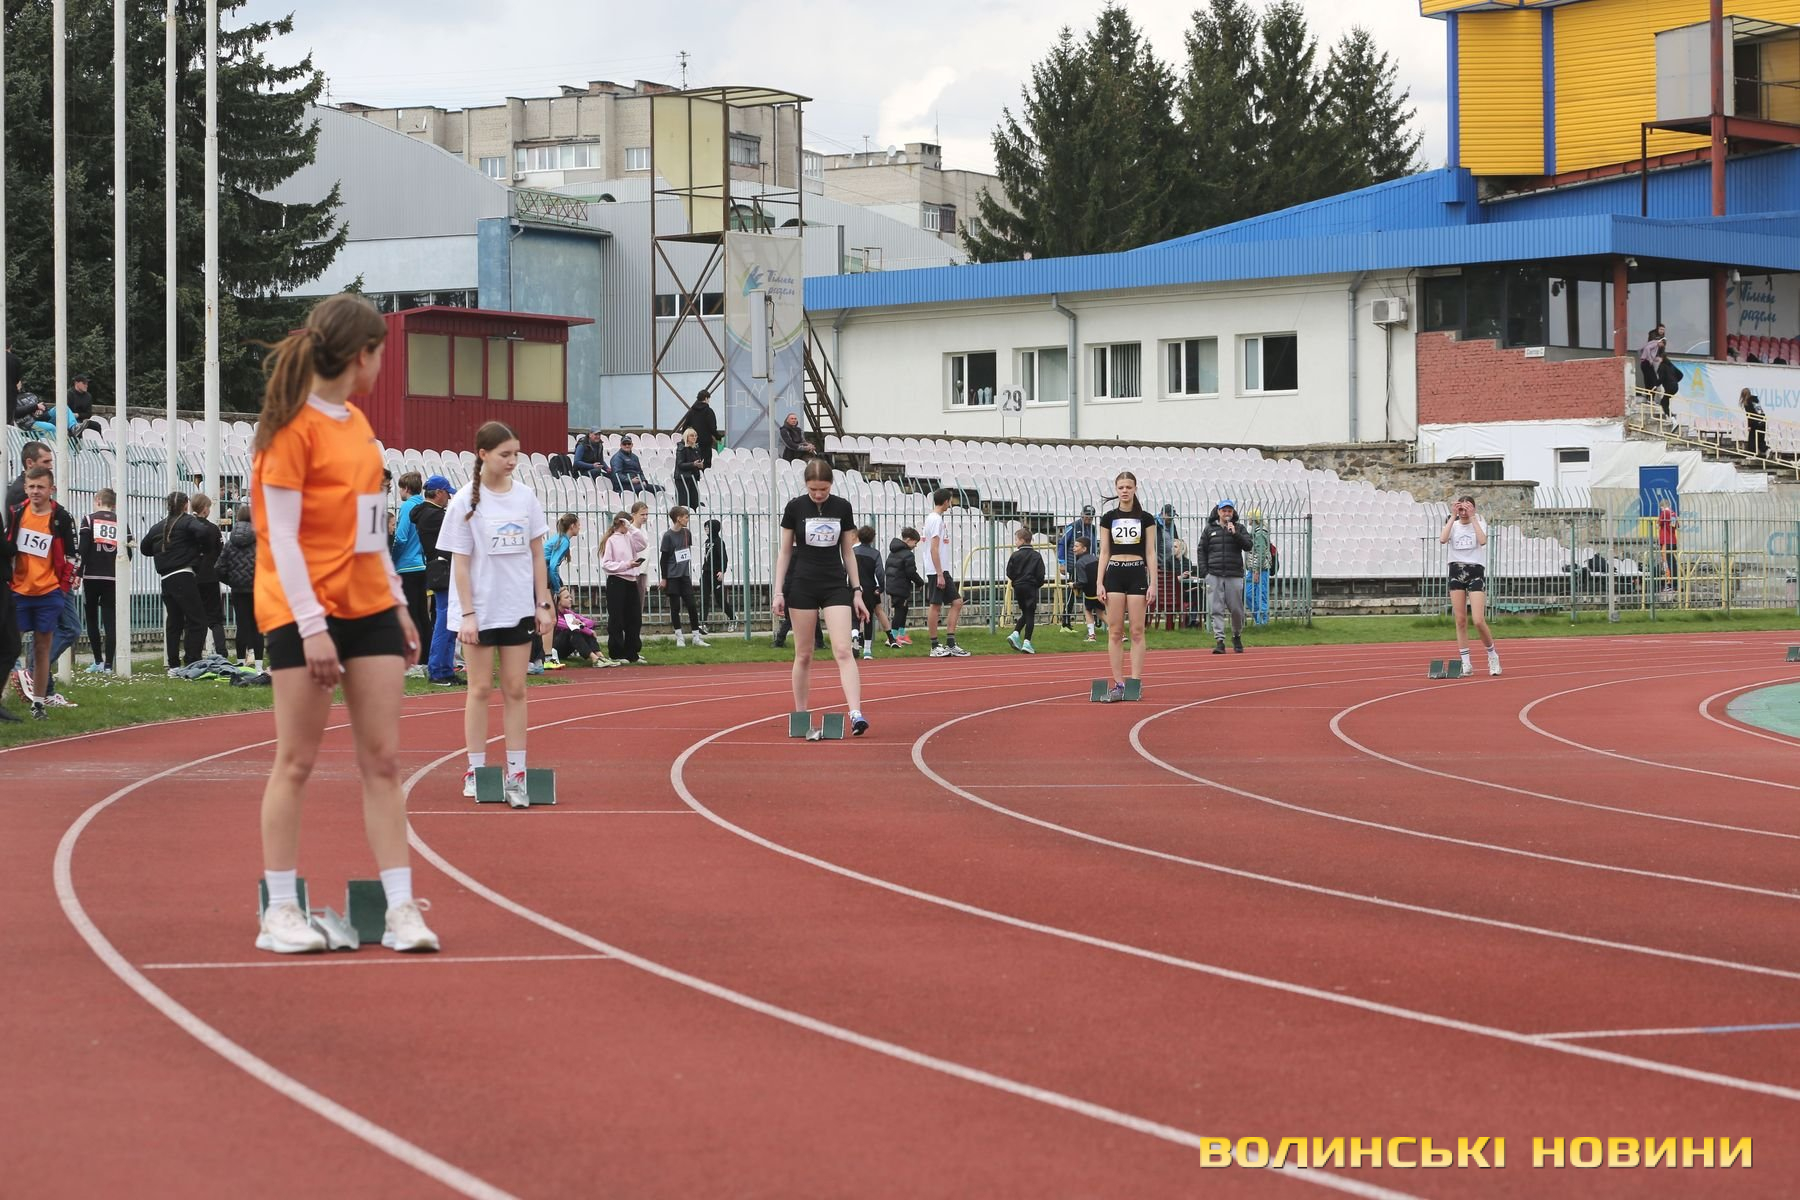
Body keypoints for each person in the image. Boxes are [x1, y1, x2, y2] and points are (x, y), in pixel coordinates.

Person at [247, 291, 432, 955]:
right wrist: (312, 626)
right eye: (381, 354)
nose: (382, 367)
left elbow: (370, 531)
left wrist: (398, 603)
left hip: (369, 607)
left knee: (383, 759)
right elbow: (282, 540)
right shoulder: (288, 430)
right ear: (361, 355)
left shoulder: (358, 428)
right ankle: (281, 910)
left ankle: (402, 907)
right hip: (301, 611)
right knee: (296, 760)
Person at [440, 420, 552, 810]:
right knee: (479, 690)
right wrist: (468, 614)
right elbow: (460, 563)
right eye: (505, 454)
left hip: (517, 607)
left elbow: (537, 555)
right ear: (483, 454)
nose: (512, 461)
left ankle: (516, 772)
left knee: (516, 689)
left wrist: (543, 603)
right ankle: (475, 770)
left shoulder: (525, 497)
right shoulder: (463, 502)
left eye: (516, 454)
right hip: (480, 610)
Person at [773, 457, 869, 736]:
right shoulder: (794, 507)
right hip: (802, 584)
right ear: (806, 485)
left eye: (823, 489)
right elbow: (785, 552)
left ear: (831, 485)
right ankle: (801, 714)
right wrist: (778, 591)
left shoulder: (842, 507)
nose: (818, 494)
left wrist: (857, 590)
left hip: (834, 584)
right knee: (804, 654)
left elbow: (848, 552)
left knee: (843, 649)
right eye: (813, 489)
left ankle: (856, 713)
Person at [6, 465, 77, 718]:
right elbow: (9, 546)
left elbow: (72, 554)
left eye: (41, 487)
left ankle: (38, 703)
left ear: (51, 489)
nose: (36, 491)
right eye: (32, 486)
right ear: (25, 488)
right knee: (9, 646)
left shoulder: (61, 517)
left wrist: (62, 587)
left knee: (42, 648)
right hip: (19, 591)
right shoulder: (17, 512)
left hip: (48, 592)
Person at [1096, 473, 1157, 701]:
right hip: (1114, 573)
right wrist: (1099, 582)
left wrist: (1153, 583)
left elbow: (1150, 552)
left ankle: (1135, 682)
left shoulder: (1146, 518)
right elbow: (1104, 552)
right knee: (1115, 631)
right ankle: (1119, 683)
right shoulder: (1108, 518)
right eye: (1121, 487)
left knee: (1137, 631)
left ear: (1135, 489)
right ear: (1116, 489)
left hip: (1137, 572)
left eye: (1128, 487)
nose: (1124, 491)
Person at [141, 492, 212, 669]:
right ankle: (193, 660)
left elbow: (144, 548)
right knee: (198, 620)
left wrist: (163, 552)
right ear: (186, 504)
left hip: (166, 579)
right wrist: (200, 549)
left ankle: (173, 664)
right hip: (183, 575)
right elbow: (203, 531)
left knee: (174, 622)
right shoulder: (187, 521)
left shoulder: (158, 527)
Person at [1440, 494, 1501, 678]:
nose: (1464, 512)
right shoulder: (1453, 525)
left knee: (1478, 620)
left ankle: (1492, 655)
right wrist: (1453, 516)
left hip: (1475, 572)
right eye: (1461, 508)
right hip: (1456, 571)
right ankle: (1466, 663)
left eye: (1467, 508)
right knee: (1460, 620)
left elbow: (1482, 541)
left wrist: (1473, 517)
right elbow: (1443, 539)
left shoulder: (1479, 523)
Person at [412, 475, 460, 686]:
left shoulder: (429, 514)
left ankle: (445, 669)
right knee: (444, 620)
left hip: (441, 568)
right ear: (439, 493)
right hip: (443, 569)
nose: (449, 498)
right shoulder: (434, 516)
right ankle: (438, 670)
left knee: (448, 620)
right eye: (447, 493)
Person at [78, 488, 132, 672]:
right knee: (111, 619)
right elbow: (128, 550)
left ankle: (97, 661)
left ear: (98, 500)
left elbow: (83, 548)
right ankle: (109, 664)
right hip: (113, 577)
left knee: (91, 618)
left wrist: (79, 572)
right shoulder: (121, 522)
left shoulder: (88, 520)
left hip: (91, 576)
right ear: (114, 505)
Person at [1199, 498, 1252, 654]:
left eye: (1229, 511)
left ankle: (1236, 635)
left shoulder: (1239, 528)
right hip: (1214, 573)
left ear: (1233, 513)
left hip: (1234, 573)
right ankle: (1219, 641)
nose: (1226, 513)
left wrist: (1235, 534)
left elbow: (1248, 546)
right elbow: (1202, 550)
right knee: (1216, 608)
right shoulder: (1209, 529)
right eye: (1224, 510)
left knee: (1236, 609)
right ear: (1218, 512)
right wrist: (1205, 572)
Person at [921, 488, 968, 657]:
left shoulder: (936, 519)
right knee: (935, 605)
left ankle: (950, 642)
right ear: (946, 501)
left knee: (957, 602)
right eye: (950, 501)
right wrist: (939, 573)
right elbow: (933, 549)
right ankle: (934, 645)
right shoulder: (935, 519)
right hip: (937, 570)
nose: (951, 504)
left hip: (941, 569)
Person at [216, 503, 262, 670]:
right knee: (256, 626)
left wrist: (232, 581)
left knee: (241, 625)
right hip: (257, 589)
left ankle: (241, 662)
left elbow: (219, 568)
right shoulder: (260, 541)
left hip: (238, 590)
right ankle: (258, 666)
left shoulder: (230, 543)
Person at [600, 510, 647, 664]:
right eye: (627, 523)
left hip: (631, 581)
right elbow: (606, 564)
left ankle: (632, 652)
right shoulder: (611, 540)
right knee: (617, 619)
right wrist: (626, 565)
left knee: (634, 618)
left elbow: (643, 543)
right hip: (617, 581)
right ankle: (616, 652)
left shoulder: (630, 537)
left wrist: (631, 528)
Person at [390, 472, 430, 651]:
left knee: (411, 614)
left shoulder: (407, 506)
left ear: (406, 488)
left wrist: (392, 559)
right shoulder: (424, 505)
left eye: (400, 488)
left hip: (407, 566)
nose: (399, 492)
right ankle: (426, 656)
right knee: (423, 615)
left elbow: (401, 538)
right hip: (422, 564)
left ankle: (415, 656)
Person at [660, 504, 707, 647]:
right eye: (686, 517)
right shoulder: (668, 536)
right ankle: (679, 637)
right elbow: (663, 559)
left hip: (684, 575)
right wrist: (664, 578)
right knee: (675, 607)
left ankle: (696, 636)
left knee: (692, 605)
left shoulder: (687, 533)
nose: (687, 519)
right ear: (678, 518)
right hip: (672, 576)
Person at [190, 493, 229, 658]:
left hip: (192, 577)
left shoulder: (187, 527)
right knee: (215, 619)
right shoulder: (213, 529)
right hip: (211, 577)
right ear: (205, 509)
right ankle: (222, 652)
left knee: (194, 619)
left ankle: (195, 655)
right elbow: (221, 553)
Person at [1056, 505, 1098, 630]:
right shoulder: (1072, 527)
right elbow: (1062, 544)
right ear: (1081, 514)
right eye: (1086, 516)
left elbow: (1093, 545)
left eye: (1091, 517)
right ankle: (1066, 622)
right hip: (1074, 564)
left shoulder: (1093, 528)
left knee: (1093, 590)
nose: (1088, 518)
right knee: (1072, 592)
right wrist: (1062, 562)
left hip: (1090, 564)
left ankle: (1097, 619)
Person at [850, 524, 889, 659]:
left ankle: (855, 636)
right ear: (872, 539)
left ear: (858, 536)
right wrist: (881, 588)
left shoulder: (852, 552)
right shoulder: (875, 554)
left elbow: (845, 569)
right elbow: (880, 573)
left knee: (854, 616)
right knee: (868, 617)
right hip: (869, 588)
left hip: (854, 587)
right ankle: (867, 650)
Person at [1005, 525, 1045, 654]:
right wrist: (1037, 584)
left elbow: (1009, 572)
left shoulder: (1015, 555)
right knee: (1030, 613)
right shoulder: (1036, 556)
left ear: (1022, 540)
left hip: (1018, 586)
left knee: (1026, 612)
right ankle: (1027, 641)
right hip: (1030, 586)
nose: (1015, 542)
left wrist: (1016, 581)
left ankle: (1016, 633)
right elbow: (1040, 574)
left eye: (1016, 540)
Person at [884, 528, 923, 647]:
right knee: (900, 611)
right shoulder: (908, 554)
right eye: (915, 543)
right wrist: (920, 582)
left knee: (903, 609)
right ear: (909, 540)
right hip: (900, 586)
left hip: (893, 584)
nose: (915, 546)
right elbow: (911, 572)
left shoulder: (893, 552)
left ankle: (901, 634)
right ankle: (893, 637)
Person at [551, 586, 604, 664]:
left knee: (581, 630)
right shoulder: (553, 614)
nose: (571, 599)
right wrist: (589, 631)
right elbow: (568, 626)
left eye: (570, 597)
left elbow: (591, 622)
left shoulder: (568, 612)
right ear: (558, 601)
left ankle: (600, 656)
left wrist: (583, 624)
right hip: (555, 650)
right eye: (567, 597)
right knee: (573, 631)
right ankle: (594, 658)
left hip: (566, 649)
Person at [701, 517, 735, 631]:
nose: (706, 529)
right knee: (704, 598)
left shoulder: (719, 542)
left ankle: (732, 617)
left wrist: (722, 570)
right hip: (706, 573)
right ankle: (702, 623)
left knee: (719, 599)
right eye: (705, 527)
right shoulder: (707, 542)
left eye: (708, 527)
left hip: (715, 574)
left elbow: (724, 558)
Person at [673, 387, 719, 467]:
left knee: (695, 463)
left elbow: (685, 426)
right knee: (706, 464)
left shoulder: (692, 411)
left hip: (693, 443)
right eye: (708, 399)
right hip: (705, 443)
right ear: (706, 398)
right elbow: (712, 428)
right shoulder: (709, 411)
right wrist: (719, 437)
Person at [1071, 536, 1102, 641]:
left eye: (1076, 546)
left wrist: (1074, 585)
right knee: (1101, 613)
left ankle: (1091, 635)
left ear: (1084, 549)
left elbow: (1083, 581)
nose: (1074, 548)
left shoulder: (1079, 563)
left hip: (1091, 593)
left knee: (1088, 611)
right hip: (1100, 590)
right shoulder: (1095, 559)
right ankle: (1120, 633)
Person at [1245, 511, 1272, 626]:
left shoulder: (1260, 533)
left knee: (1261, 595)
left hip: (1260, 570)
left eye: (1249, 517)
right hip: (1252, 569)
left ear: (1253, 519)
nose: (1248, 519)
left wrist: (1257, 570)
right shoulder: (1254, 532)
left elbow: (1261, 552)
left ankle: (1263, 622)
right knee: (1248, 594)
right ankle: (1258, 619)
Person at [1168, 538, 1203, 627]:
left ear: (1182, 549)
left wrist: (1191, 577)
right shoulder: (1168, 561)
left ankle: (1192, 619)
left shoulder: (1187, 562)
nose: (1172, 548)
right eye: (1172, 546)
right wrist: (1181, 577)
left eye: (1175, 547)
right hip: (1173, 592)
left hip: (1185, 590)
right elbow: (1167, 579)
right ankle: (1192, 620)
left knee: (1199, 590)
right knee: (1196, 592)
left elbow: (1188, 577)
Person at [6, 440, 50, 510]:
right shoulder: (22, 492)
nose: (50, 466)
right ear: (29, 463)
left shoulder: (26, 487)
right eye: (46, 462)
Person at [544, 513, 578, 595]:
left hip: (541, 569)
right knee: (562, 593)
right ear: (572, 526)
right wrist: (558, 589)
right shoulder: (564, 541)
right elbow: (553, 567)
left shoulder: (560, 538)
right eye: (578, 525)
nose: (579, 527)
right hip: (542, 571)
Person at [674, 426, 706, 509]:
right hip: (683, 479)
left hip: (693, 477)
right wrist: (693, 464)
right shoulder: (682, 448)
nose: (694, 437)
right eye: (692, 436)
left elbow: (697, 461)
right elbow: (680, 464)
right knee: (684, 504)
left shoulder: (696, 448)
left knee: (694, 503)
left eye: (695, 436)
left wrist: (700, 465)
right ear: (686, 437)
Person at [1656, 502, 1679, 592]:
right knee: (1673, 563)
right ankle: (1675, 584)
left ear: (1662, 506)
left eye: (1661, 508)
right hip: (1673, 541)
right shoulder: (1673, 514)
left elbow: (1658, 524)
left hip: (1666, 541)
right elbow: (1675, 526)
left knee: (1667, 564)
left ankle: (1670, 584)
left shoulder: (1664, 513)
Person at [1743, 388, 1768, 459]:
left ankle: (1752, 454)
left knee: (1752, 438)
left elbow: (1749, 415)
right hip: (1762, 420)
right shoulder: (1755, 400)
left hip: (1755, 421)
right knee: (1760, 438)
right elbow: (1759, 411)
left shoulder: (1747, 402)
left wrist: (1749, 425)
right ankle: (1766, 449)